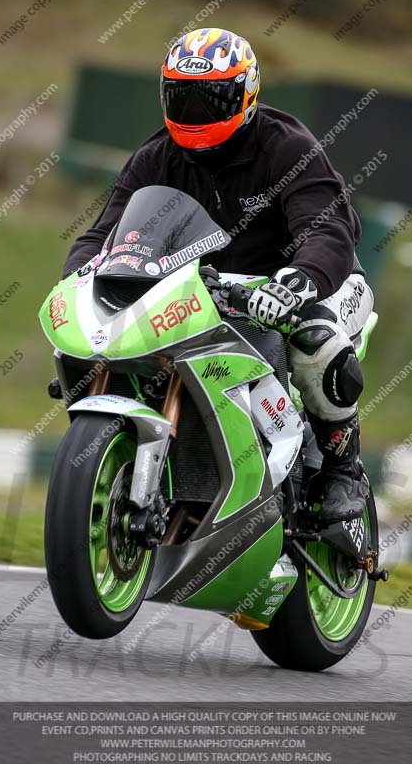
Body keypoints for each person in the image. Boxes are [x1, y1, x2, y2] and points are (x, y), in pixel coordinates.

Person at [63, 27, 374, 524]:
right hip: (206, 290)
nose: (195, 114)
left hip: (314, 282)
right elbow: (104, 233)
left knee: (318, 344)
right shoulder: (156, 157)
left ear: (245, 94)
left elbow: (329, 226)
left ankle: (343, 470)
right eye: (182, 99)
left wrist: (300, 280)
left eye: (211, 99)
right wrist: (78, 281)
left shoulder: (286, 146)